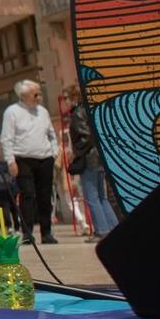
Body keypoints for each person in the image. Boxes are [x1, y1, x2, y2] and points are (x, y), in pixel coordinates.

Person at [2, 78, 59, 244]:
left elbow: (51, 134)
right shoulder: (12, 112)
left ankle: (46, 232)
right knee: (28, 195)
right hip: (23, 159)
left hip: (45, 158)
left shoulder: (43, 111)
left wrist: (54, 151)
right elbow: (7, 138)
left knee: (44, 196)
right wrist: (10, 160)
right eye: (36, 94)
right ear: (24, 95)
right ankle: (27, 233)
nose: (39, 97)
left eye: (40, 93)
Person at [65, 87, 118, 237]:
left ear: (74, 98)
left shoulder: (77, 114)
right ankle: (113, 227)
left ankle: (101, 230)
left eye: (67, 98)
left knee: (92, 197)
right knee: (101, 196)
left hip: (89, 159)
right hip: (99, 158)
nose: (65, 102)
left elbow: (85, 136)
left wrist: (75, 154)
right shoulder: (91, 110)